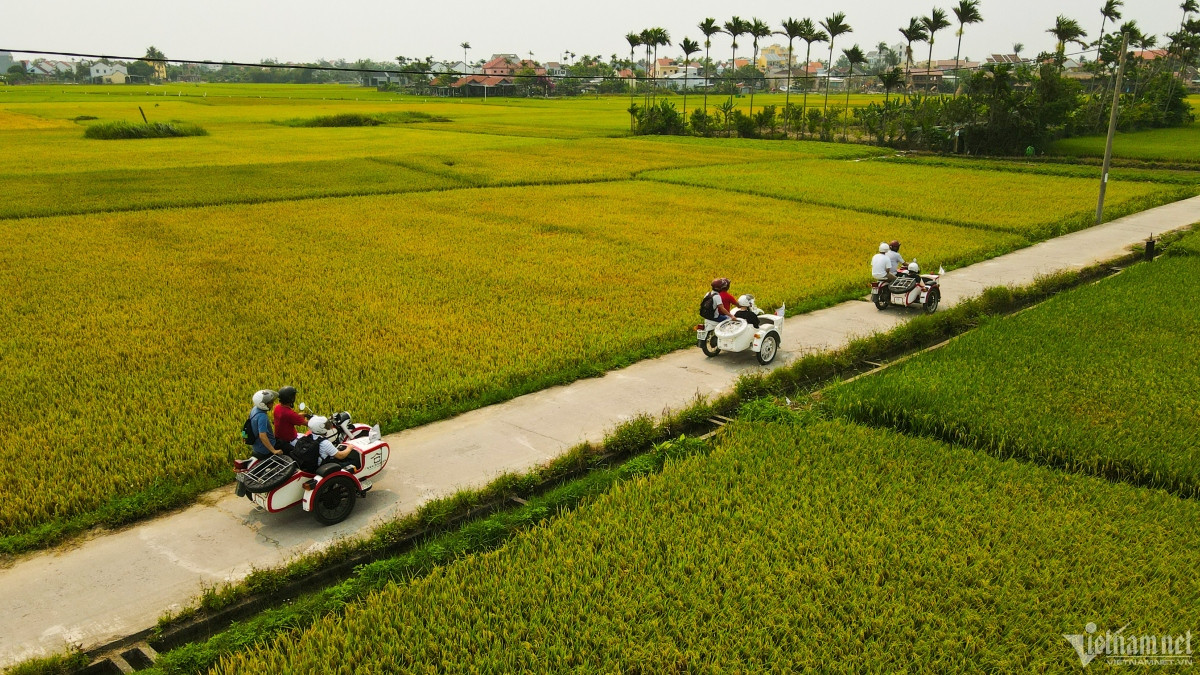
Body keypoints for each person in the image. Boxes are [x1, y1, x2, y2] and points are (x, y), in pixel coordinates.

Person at [248, 389, 284, 459]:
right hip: (265, 449)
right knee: (290, 449)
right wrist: (274, 451)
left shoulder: (255, 409)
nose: (272, 404)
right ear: (262, 404)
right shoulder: (262, 416)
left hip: (257, 446)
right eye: (270, 402)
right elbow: (262, 436)